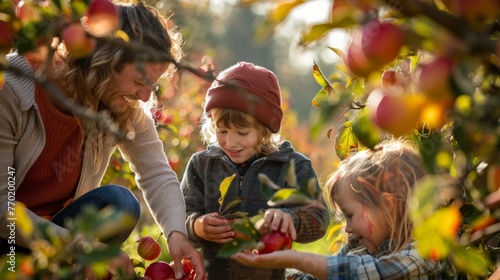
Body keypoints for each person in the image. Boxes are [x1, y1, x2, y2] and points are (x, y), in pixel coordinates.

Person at [0, 1, 206, 279]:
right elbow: (2, 209)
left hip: (57, 239)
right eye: (139, 81)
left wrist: (177, 233)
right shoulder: (11, 88)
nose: (146, 97)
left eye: (153, 86)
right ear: (106, 61)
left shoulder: (120, 105)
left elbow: (156, 172)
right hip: (9, 240)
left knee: (119, 203)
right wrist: (80, 246)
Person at [181, 61, 330, 280]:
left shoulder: (291, 166)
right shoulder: (202, 165)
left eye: (242, 132)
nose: (230, 142)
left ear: (265, 129)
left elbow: (320, 218)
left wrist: (291, 219)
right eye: (222, 131)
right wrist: (196, 226)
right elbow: (179, 216)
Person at [231, 139, 442, 279]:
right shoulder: (361, 247)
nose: (348, 229)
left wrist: (297, 259)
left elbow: (363, 274)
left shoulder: (426, 253)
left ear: (388, 205)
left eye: (350, 215)